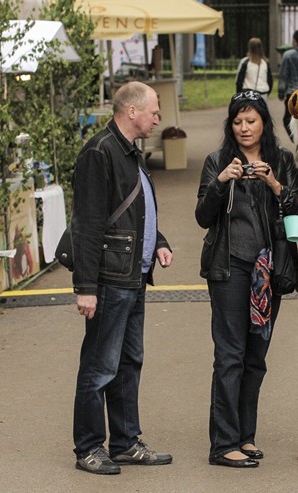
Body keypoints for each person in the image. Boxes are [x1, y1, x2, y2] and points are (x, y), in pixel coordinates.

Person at [195, 90, 298, 468]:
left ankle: (245, 435)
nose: (244, 128)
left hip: (268, 271)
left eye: (251, 121)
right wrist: (221, 181)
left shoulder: (282, 161)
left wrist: (275, 184)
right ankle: (223, 444)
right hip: (229, 268)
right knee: (230, 354)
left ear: (263, 124)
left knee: (256, 356)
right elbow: (203, 216)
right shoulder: (217, 161)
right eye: (238, 122)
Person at [71, 81, 173, 475]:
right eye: (154, 112)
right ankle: (89, 448)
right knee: (99, 366)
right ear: (131, 111)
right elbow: (88, 223)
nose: (157, 119)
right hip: (111, 278)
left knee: (129, 362)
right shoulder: (100, 152)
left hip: (132, 275)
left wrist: (158, 241)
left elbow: (137, 207)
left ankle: (126, 442)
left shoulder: (130, 150)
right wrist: (85, 288)